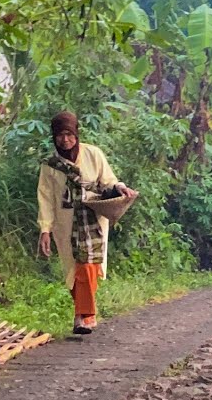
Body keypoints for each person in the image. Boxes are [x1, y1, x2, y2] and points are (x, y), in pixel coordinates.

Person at [37, 111, 138, 335]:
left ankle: (82, 316)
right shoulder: (50, 166)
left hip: (93, 219)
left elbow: (108, 180)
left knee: (89, 266)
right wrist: (45, 229)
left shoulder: (93, 154)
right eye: (60, 135)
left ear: (76, 133)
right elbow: (45, 198)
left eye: (69, 134)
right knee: (74, 269)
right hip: (65, 225)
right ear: (53, 137)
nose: (65, 140)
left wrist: (120, 187)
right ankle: (83, 315)